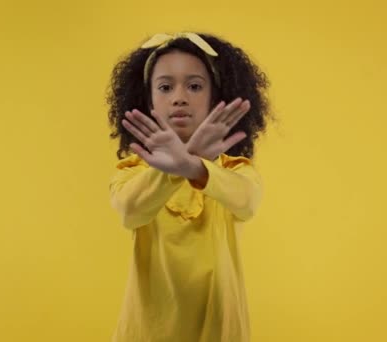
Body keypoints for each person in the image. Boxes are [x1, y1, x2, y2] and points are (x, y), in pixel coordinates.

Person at [106, 32, 271, 341]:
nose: (179, 97)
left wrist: (194, 166)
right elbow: (131, 211)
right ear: (148, 100)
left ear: (215, 98)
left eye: (194, 86)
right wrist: (176, 169)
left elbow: (247, 201)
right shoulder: (133, 172)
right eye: (165, 87)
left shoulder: (234, 171)